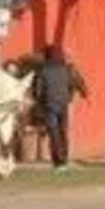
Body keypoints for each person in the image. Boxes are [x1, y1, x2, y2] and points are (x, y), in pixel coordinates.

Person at [28, 44, 89, 172]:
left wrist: (38, 102)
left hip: (50, 105)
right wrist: (81, 95)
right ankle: (64, 160)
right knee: (63, 131)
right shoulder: (67, 69)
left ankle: (59, 162)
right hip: (64, 104)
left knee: (54, 132)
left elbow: (37, 90)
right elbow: (75, 82)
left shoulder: (42, 71)